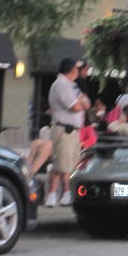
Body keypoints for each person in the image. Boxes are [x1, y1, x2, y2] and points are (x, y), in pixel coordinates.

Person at [44, 57, 91, 207]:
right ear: (70, 70)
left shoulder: (72, 86)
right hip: (63, 129)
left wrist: (82, 103)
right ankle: (51, 195)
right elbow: (76, 107)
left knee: (69, 163)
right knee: (60, 163)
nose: (79, 70)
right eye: (77, 68)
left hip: (73, 130)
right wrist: (81, 104)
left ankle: (65, 194)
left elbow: (86, 103)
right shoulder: (61, 85)